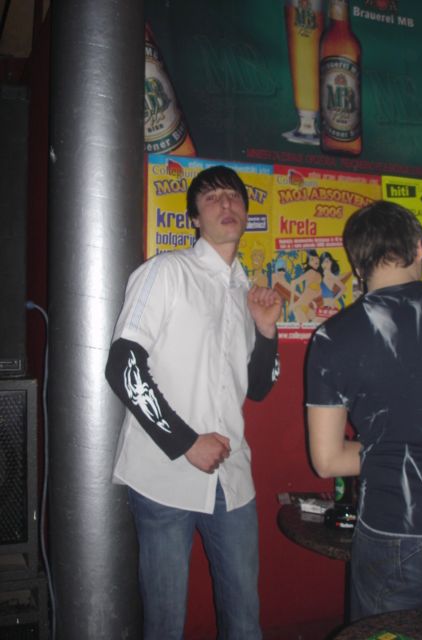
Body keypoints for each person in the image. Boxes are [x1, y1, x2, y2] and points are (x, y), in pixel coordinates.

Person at [105, 165, 282, 640]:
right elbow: (123, 366)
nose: (226, 204)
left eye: (234, 196)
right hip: (164, 478)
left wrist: (266, 332)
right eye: (212, 198)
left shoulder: (247, 292)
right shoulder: (166, 271)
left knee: (245, 622)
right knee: (165, 626)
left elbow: (258, 388)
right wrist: (186, 442)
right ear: (194, 219)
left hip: (232, 478)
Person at [305, 200, 422, 620]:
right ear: (419, 248)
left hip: (388, 527)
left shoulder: (331, 336)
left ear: (357, 264)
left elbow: (327, 461)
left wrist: (389, 449)